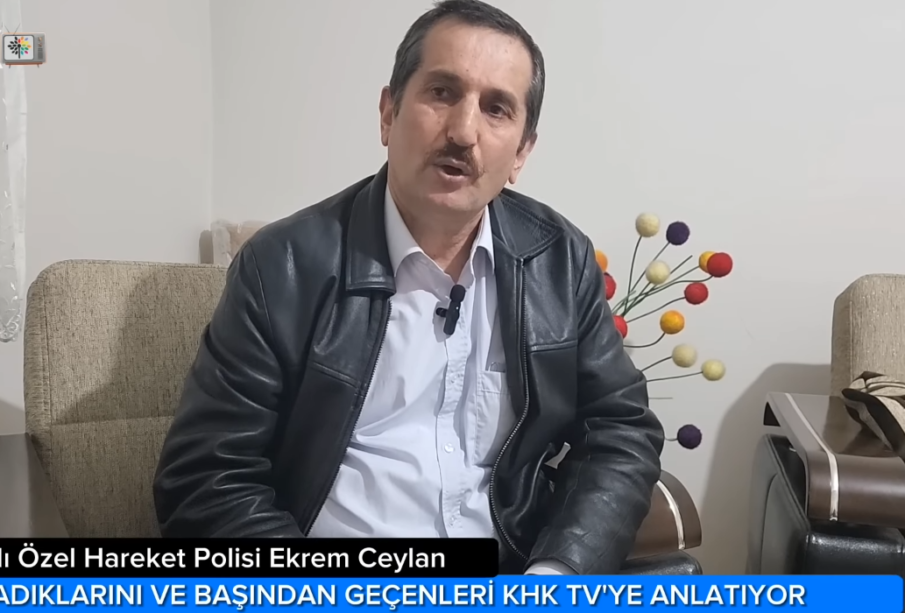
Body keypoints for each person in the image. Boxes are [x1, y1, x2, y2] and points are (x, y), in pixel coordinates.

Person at [153, 0, 664, 576]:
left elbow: (619, 431)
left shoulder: (559, 259)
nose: (463, 132)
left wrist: (560, 571)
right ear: (388, 113)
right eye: (442, 92)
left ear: (521, 152)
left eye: (496, 109)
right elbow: (206, 477)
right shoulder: (283, 265)